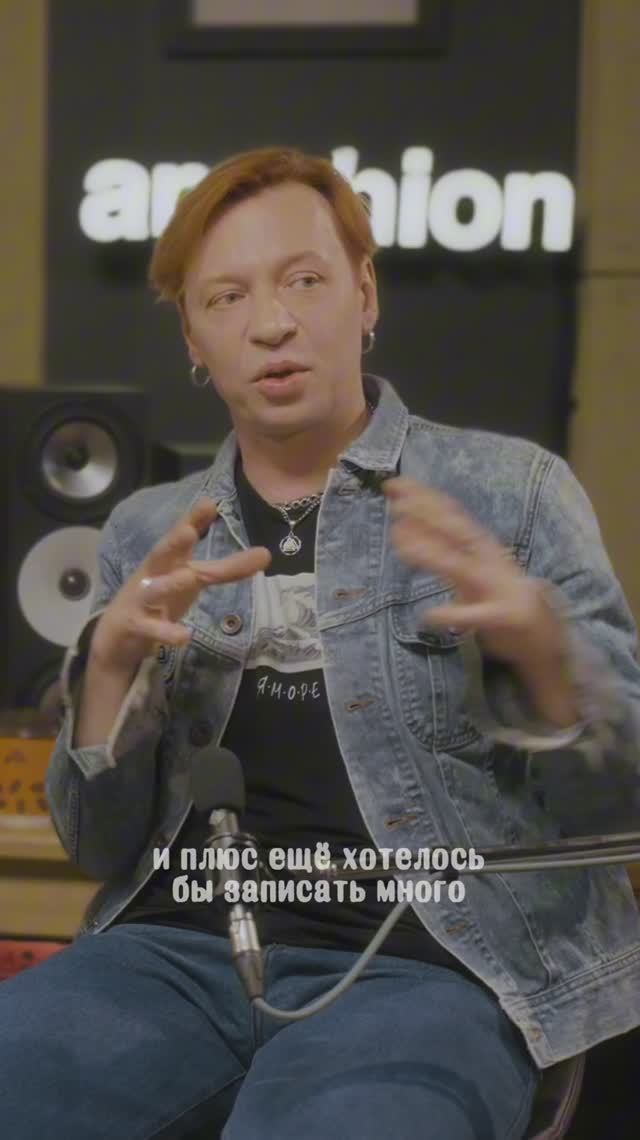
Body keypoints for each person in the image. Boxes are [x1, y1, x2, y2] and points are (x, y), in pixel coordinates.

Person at [1, 145, 639, 1140]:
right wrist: (109, 676)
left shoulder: (509, 494)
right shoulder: (147, 531)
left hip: (428, 969)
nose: (271, 323)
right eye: (227, 298)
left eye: (303, 280)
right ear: (193, 337)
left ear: (365, 294)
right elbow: (102, 845)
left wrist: (547, 660)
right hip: (173, 959)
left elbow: (622, 797)